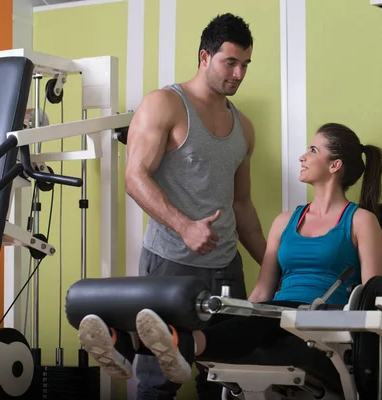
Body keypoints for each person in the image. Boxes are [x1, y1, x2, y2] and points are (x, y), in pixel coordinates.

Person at [77, 122, 382, 395]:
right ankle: (126, 342)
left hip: (321, 328)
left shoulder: (360, 221)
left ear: (334, 165)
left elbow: (372, 300)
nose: (303, 156)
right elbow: (263, 291)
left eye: (313, 150)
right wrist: (240, 312)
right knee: (213, 313)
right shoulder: (285, 221)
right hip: (277, 316)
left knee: (269, 315)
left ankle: (186, 346)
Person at [121, 12, 267, 400]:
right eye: (230, 62)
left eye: (245, 65)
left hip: (225, 267)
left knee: (224, 378)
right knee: (159, 378)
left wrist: (272, 263)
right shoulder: (164, 104)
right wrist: (185, 226)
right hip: (171, 263)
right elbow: (134, 178)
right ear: (205, 57)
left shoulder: (244, 127)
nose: (238, 74)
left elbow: (242, 203)